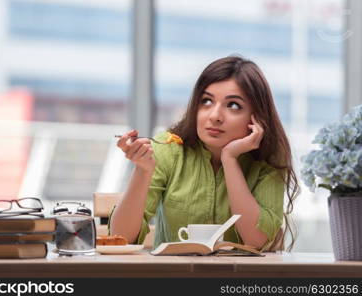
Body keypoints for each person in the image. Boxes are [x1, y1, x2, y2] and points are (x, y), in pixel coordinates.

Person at [109, 55, 300, 251]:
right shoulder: (168, 148)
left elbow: (256, 240)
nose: (215, 116)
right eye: (206, 101)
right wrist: (142, 171)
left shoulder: (268, 160)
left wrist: (230, 159)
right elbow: (121, 237)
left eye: (233, 105)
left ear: (257, 117)